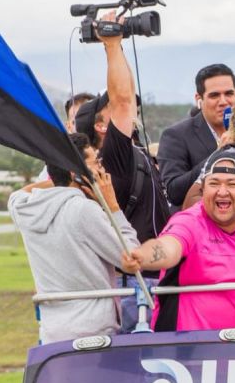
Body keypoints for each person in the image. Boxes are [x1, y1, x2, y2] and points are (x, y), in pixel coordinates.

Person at [73, 12, 171, 332]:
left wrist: (115, 46)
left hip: (156, 278)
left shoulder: (132, 150)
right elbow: (124, 99)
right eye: (109, 108)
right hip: (139, 288)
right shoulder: (111, 158)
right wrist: (113, 45)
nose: (124, 108)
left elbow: (125, 94)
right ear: (101, 126)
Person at [121, 146, 235, 331]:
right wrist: (143, 257)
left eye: (232, 184)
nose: (222, 192)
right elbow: (169, 247)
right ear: (203, 189)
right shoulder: (190, 221)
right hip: (190, 353)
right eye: (214, 183)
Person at [8, 133, 139, 344]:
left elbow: (17, 194)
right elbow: (133, 259)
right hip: (93, 332)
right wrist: (113, 206)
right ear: (75, 172)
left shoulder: (22, 207)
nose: (102, 170)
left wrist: (59, 178)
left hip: (52, 331)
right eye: (96, 163)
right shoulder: (83, 210)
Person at [157, 64, 235, 210]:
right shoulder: (176, 135)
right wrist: (218, 154)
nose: (223, 101)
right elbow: (174, 192)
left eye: (229, 94)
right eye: (214, 95)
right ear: (199, 99)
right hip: (200, 225)